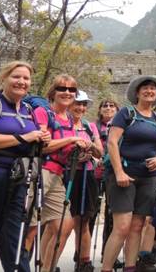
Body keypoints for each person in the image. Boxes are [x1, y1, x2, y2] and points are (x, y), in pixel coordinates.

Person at [0, 61, 50, 272]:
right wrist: (23, 137)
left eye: (26, 78)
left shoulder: (28, 109)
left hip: (17, 182)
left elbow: (31, 141)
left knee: (14, 242)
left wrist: (42, 139)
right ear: (3, 78)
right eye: (16, 76)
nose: (21, 82)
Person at [101, 75, 156, 272]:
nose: (149, 91)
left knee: (137, 226)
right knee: (122, 227)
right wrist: (119, 172)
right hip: (124, 175)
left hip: (149, 177)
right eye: (145, 88)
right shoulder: (126, 113)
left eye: (153, 89)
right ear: (137, 93)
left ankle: (130, 268)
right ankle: (106, 268)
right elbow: (112, 142)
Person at [26, 74, 92, 272]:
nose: (67, 93)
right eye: (62, 88)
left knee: (64, 225)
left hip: (58, 175)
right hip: (40, 172)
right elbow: (41, 147)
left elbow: (61, 149)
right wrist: (72, 140)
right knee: (29, 229)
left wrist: (78, 153)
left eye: (72, 90)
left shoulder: (69, 118)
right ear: (53, 92)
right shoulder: (43, 113)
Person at [68, 90, 104, 272]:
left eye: (84, 104)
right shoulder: (63, 124)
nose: (81, 108)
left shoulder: (89, 127)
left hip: (87, 175)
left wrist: (90, 147)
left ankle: (84, 261)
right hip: (67, 175)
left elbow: (100, 152)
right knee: (68, 221)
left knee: (84, 220)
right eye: (77, 103)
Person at [92, 99, 120, 266]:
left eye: (112, 106)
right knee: (91, 214)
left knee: (111, 216)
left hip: (113, 174)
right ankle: (81, 256)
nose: (108, 108)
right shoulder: (93, 126)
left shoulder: (122, 127)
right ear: (100, 110)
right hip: (95, 174)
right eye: (105, 106)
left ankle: (109, 254)